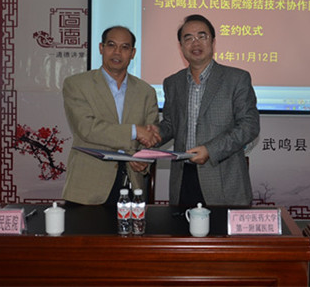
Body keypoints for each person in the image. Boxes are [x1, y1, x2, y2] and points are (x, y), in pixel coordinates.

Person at [157, 14, 260, 207]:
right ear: (181, 46)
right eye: (188, 38)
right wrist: (151, 136)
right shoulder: (172, 83)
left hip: (223, 180)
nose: (195, 43)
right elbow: (170, 125)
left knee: (221, 228)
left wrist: (210, 150)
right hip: (183, 180)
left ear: (213, 42)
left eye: (201, 36)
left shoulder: (237, 78)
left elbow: (249, 126)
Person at [61, 26, 160, 205]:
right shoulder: (76, 84)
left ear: (133, 53)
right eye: (111, 45)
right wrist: (134, 131)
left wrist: (143, 159)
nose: (117, 52)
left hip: (131, 184)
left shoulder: (146, 92)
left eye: (125, 47)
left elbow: (150, 136)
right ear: (101, 48)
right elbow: (87, 129)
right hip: (87, 187)